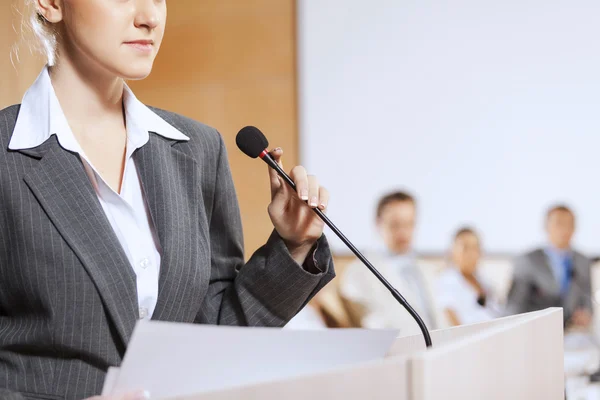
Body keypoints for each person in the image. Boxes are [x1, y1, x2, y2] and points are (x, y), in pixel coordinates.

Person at [0, 1, 335, 399]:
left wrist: (294, 245)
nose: (150, 17)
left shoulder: (199, 149)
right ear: (52, 4)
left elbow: (212, 333)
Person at [340, 191, 441, 334]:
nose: (403, 232)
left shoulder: (427, 269)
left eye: (409, 224)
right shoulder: (357, 273)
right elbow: (371, 325)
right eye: (395, 225)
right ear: (378, 224)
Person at [505, 205, 592, 329]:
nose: (565, 229)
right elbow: (514, 306)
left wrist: (586, 314)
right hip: (534, 331)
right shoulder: (527, 261)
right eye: (559, 224)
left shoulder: (583, 261)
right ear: (546, 226)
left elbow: (587, 299)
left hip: (571, 333)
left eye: (570, 224)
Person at [436, 227, 496, 326]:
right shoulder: (447, 281)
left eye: (476, 248)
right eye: (466, 248)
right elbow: (453, 324)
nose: (472, 254)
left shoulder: (485, 281)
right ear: (453, 251)